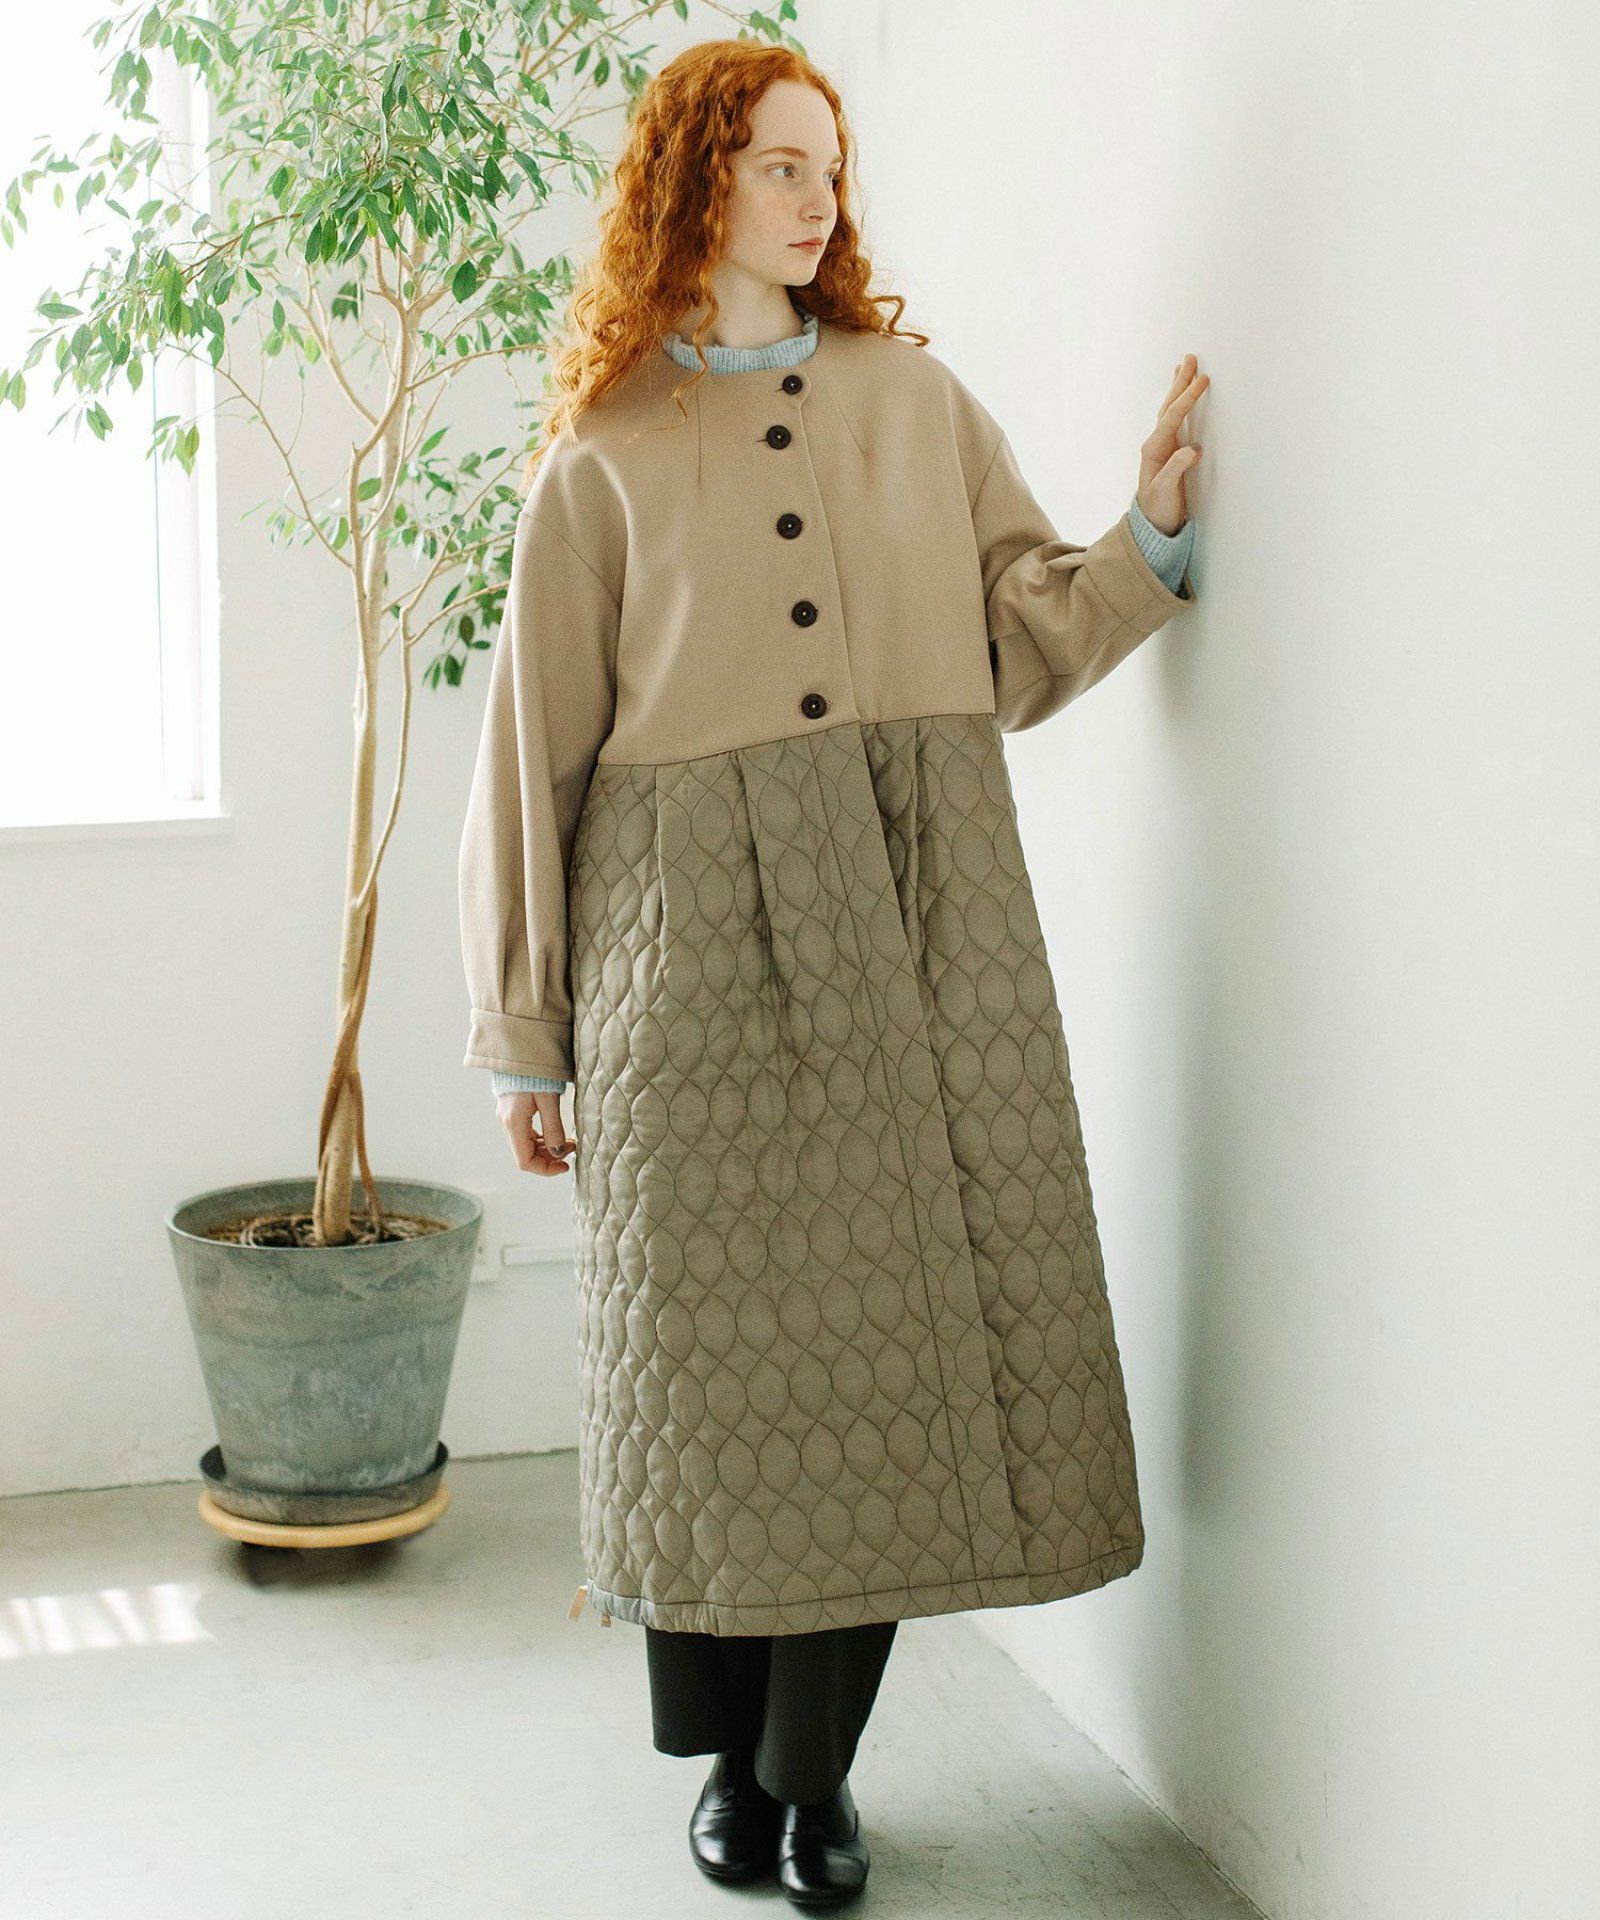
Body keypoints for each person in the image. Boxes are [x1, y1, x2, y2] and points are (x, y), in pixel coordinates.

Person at [457, 37, 1204, 1912]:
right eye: (780, 166)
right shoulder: (601, 457)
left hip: (913, 935)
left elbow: (1020, 639)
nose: (818, 199)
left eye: (828, 167)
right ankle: (725, 1761)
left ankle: (814, 1782)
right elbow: (531, 760)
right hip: (681, 964)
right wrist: (530, 1037)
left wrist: (1148, 539)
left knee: (886, 1372)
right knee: (709, 1388)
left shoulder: (912, 403)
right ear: (695, 182)